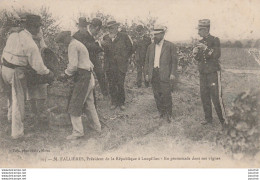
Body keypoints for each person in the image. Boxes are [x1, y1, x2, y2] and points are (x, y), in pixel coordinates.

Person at [0, 14, 54, 139]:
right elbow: (39, 67)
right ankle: (17, 133)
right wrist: (49, 73)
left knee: (10, 96)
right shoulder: (30, 44)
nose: (39, 30)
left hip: (4, 68)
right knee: (19, 102)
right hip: (15, 71)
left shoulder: (14, 33)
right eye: (38, 27)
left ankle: (10, 118)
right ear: (34, 28)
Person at [55, 31, 101, 140]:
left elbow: (73, 66)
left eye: (62, 42)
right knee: (90, 104)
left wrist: (65, 75)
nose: (63, 45)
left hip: (83, 78)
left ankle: (78, 132)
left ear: (66, 38)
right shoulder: (78, 43)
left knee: (74, 104)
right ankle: (96, 126)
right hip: (88, 76)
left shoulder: (72, 46)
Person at [192, 19, 226, 126]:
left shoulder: (215, 40)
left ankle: (224, 121)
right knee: (204, 96)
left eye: (200, 30)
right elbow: (200, 59)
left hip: (212, 73)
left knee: (216, 97)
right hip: (203, 73)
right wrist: (195, 54)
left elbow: (216, 55)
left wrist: (206, 48)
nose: (198, 33)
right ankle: (208, 119)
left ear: (206, 29)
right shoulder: (200, 42)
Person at [144, 26, 178, 123]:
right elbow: (146, 62)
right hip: (153, 73)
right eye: (154, 35)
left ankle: (169, 114)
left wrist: (172, 73)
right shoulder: (150, 47)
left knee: (166, 94)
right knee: (157, 94)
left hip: (165, 73)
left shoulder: (170, 46)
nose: (155, 36)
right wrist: (146, 74)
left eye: (157, 34)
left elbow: (174, 62)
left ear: (162, 34)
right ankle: (161, 113)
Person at [73, 17, 108, 99]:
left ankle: (105, 93)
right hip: (84, 60)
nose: (98, 33)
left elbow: (92, 47)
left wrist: (99, 47)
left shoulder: (89, 35)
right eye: (97, 31)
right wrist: (99, 44)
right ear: (96, 28)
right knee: (90, 78)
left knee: (100, 74)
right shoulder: (78, 35)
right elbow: (87, 46)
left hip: (92, 58)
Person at [102, 21, 133, 110]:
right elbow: (104, 50)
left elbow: (130, 48)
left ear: (116, 27)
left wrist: (124, 57)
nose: (110, 30)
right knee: (111, 84)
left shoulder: (124, 36)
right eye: (109, 28)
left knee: (120, 84)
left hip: (120, 65)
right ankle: (114, 102)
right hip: (109, 66)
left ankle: (121, 103)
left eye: (112, 28)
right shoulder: (105, 37)